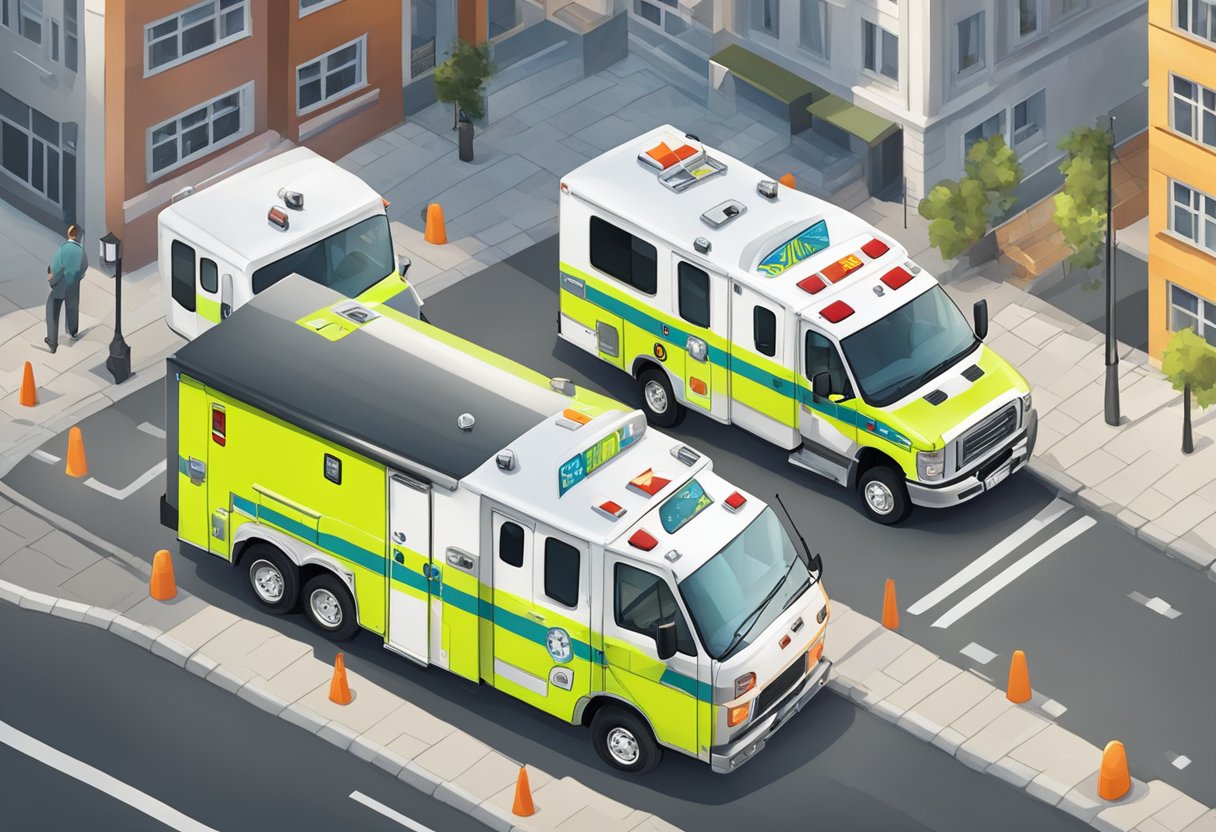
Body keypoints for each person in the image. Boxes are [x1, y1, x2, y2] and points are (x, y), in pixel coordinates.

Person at [46, 224, 88, 354]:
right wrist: (78, 277)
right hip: (73, 285)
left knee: (52, 308)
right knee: (72, 307)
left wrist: (53, 281)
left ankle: (52, 342)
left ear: (69, 234)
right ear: (79, 236)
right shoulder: (81, 251)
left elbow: (55, 266)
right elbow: (84, 266)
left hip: (61, 285)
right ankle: (72, 331)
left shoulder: (63, 249)